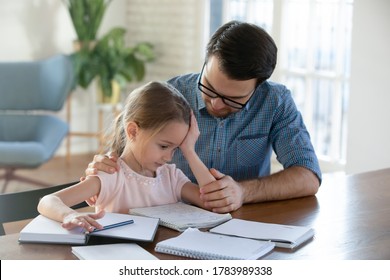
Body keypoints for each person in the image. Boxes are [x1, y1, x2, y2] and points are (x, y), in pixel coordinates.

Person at [85, 20, 322, 214]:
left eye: (232, 99)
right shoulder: (169, 96)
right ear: (206, 61)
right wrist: (103, 167)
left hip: (244, 219)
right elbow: (124, 157)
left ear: (258, 87)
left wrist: (242, 191)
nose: (216, 104)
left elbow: (308, 177)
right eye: (208, 87)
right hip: (168, 218)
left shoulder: (275, 101)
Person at [38, 81, 216, 232]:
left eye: (176, 149)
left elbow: (213, 202)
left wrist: (190, 151)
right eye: (163, 146)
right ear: (132, 131)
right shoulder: (112, 175)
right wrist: (70, 214)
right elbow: (48, 201)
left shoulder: (170, 176)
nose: (169, 157)